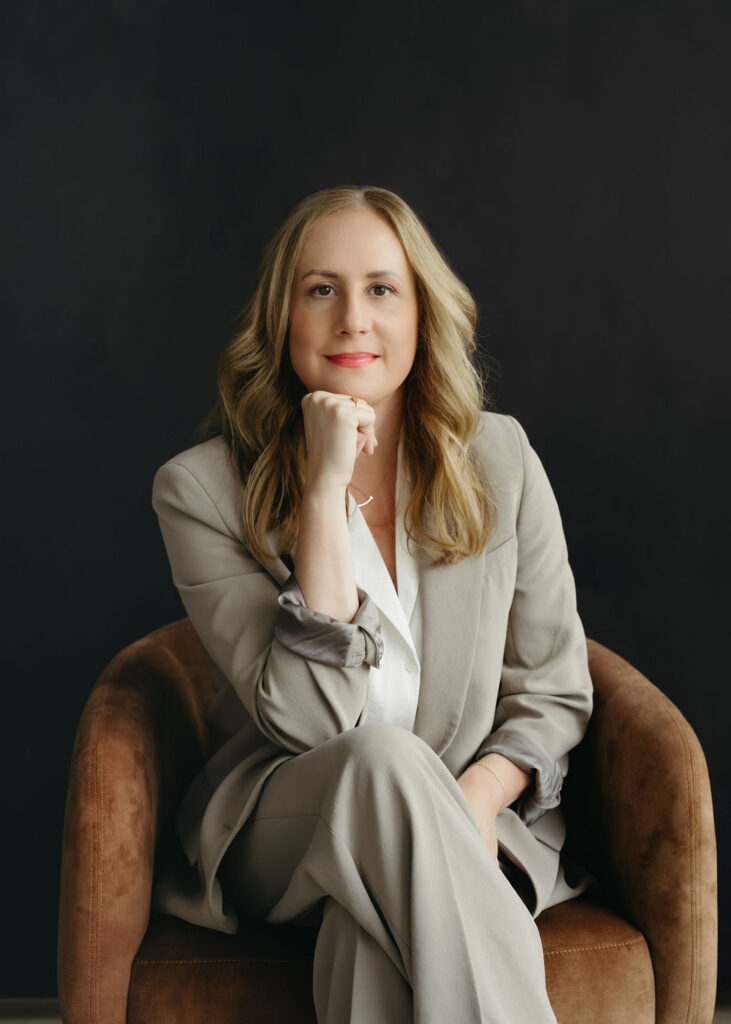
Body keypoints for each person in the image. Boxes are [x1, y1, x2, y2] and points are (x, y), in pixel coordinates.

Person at [150, 184, 597, 1023]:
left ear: (421, 314)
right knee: (385, 759)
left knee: (368, 938)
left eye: (381, 289)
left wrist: (466, 803)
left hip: (471, 820)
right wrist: (321, 492)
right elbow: (313, 724)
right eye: (321, 289)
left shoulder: (501, 462)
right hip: (286, 819)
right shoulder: (200, 490)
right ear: (283, 318)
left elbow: (554, 690)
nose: (353, 318)